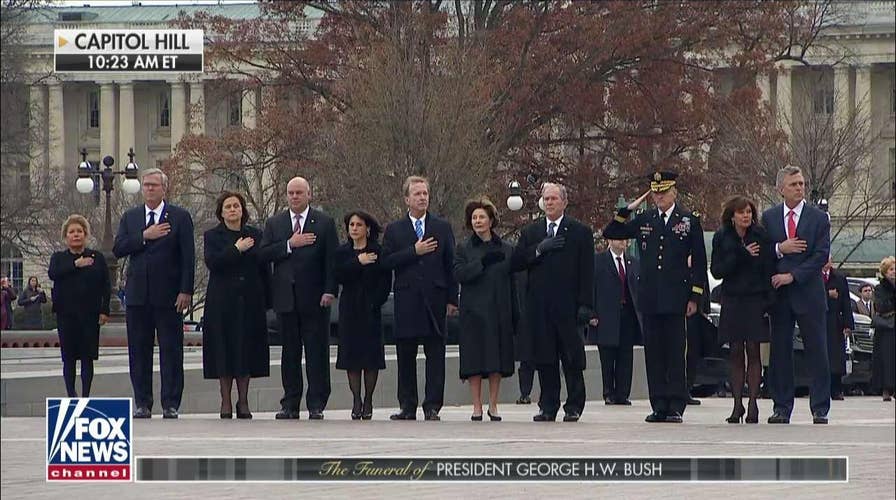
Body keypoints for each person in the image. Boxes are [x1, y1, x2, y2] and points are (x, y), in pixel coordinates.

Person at [603, 171, 708, 423]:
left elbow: (699, 262)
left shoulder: (688, 221)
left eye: (664, 192)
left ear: (674, 192)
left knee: (675, 353)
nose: (659, 197)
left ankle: (675, 405)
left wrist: (695, 297)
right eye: (656, 193)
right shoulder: (645, 219)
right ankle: (658, 404)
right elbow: (612, 231)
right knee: (654, 354)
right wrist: (626, 210)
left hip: (676, 297)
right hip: (650, 297)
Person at [113, 168, 195, 419]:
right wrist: (144, 236)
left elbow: (188, 257)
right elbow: (118, 248)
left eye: (154, 185)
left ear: (164, 188)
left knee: (171, 351)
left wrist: (186, 290)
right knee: (139, 351)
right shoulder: (131, 217)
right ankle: (142, 403)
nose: (149, 189)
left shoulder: (179, 217)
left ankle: (170, 403)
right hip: (138, 295)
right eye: (146, 185)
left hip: (169, 296)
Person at [511, 182, 594, 422]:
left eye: (554, 199)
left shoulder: (579, 232)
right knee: (545, 359)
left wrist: (586, 305)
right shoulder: (532, 232)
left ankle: (574, 405)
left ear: (564, 202)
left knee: (571, 359)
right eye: (546, 199)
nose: (549, 203)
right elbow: (516, 262)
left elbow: (587, 271)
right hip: (540, 308)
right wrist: (538, 250)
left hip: (569, 308)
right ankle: (548, 405)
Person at [259, 177, 338, 420]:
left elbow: (331, 260)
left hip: (315, 299)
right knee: (290, 353)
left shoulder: (324, 223)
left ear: (309, 194)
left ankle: (316, 403)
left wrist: (330, 290)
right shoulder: (275, 223)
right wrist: (289, 244)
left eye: (299, 192)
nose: (294, 196)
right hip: (286, 299)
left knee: (316, 352)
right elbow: (263, 254)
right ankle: (290, 403)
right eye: (291, 193)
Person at [382, 176, 458, 421]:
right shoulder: (395, 230)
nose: (422, 198)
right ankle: (407, 405)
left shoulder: (441, 227)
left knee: (435, 354)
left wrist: (452, 299)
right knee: (406, 355)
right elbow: (386, 261)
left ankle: (432, 405)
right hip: (407, 300)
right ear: (407, 199)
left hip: (435, 299)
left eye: (425, 193)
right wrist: (413, 251)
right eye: (417, 194)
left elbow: (450, 264)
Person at [760, 165, 831, 424]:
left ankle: (820, 407)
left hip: (809, 293)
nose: (799, 188)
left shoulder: (818, 218)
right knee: (780, 352)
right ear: (781, 189)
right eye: (793, 184)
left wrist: (793, 275)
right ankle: (781, 407)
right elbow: (764, 251)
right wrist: (781, 248)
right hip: (780, 296)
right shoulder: (769, 218)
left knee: (817, 350)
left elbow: (821, 255)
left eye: (801, 183)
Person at [202, 191, 271, 420]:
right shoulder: (212, 236)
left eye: (236, 206)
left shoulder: (256, 234)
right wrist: (236, 249)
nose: (233, 210)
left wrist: (268, 299)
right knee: (224, 349)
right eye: (228, 207)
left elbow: (263, 266)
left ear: (243, 210)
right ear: (221, 212)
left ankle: (243, 401)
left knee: (245, 350)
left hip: (249, 300)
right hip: (222, 301)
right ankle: (225, 401)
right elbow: (213, 262)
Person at [710, 195, 774, 424]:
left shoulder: (761, 236)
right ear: (732, 216)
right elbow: (717, 270)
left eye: (748, 212)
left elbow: (768, 268)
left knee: (754, 350)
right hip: (733, 299)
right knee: (735, 351)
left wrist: (768, 301)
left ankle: (753, 402)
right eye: (741, 212)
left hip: (755, 299)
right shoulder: (722, 237)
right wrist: (741, 253)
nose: (746, 216)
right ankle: (737, 404)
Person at [453, 197, 517, 421]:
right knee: (474, 360)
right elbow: (460, 274)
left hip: (499, 310)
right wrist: (482, 263)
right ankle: (477, 406)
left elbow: (512, 282)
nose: (478, 221)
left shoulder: (506, 249)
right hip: (473, 312)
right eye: (474, 218)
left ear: (491, 220)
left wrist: (515, 314)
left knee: (496, 361)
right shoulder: (463, 248)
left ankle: (493, 405)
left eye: (482, 217)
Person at [332, 211, 391, 420]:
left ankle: (368, 400)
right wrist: (358, 262)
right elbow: (338, 275)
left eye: (359, 225)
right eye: (352, 225)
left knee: (370, 358)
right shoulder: (342, 252)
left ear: (367, 228)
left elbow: (385, 281)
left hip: (371, 309)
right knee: (352, 357)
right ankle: (356, 400)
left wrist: (375, 302)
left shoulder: (378, 251)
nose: (355, 228)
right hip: (349, 309)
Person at [48, 215, 110, 397]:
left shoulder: (97, 257)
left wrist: (104, 310)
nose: (76, 235)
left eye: (79, 231)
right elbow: (53, 273)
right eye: (72, 232)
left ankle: (85, 396)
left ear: (85, 234)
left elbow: (106, 285)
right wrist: (76, 264)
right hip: (66, 315)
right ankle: (71, 395)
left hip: (89, 316)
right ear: (65, 236)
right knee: (69, 358)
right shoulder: (59, 258)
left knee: (87, 358)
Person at [586, 231, 641, 406]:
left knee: (626, 356)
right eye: (619, 238)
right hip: (605, 315)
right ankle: (609, 392)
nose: (623, 241)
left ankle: (622, 393)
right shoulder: (598, 261)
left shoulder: (633, 262)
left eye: (625, 238)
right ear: (609, 240)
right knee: (607, 357)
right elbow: (590, 288)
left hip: (628, 315)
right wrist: (591, 313)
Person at [823, 257, 854, 401]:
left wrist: (848, 324)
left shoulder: (839, 278)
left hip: (835, 322)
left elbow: (846, 302)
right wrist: (827, 294)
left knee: (836, 357)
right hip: (819, 319)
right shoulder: (813, 275)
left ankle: (836, 389)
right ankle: (821, 389)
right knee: (821, 355)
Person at [872, 256, 895, 402]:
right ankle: (886, 387)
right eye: (891, 269)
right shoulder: (880, 288)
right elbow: (880, 306)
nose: (894, 272)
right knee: (886, 358)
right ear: (885, 272)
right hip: (887, 327)